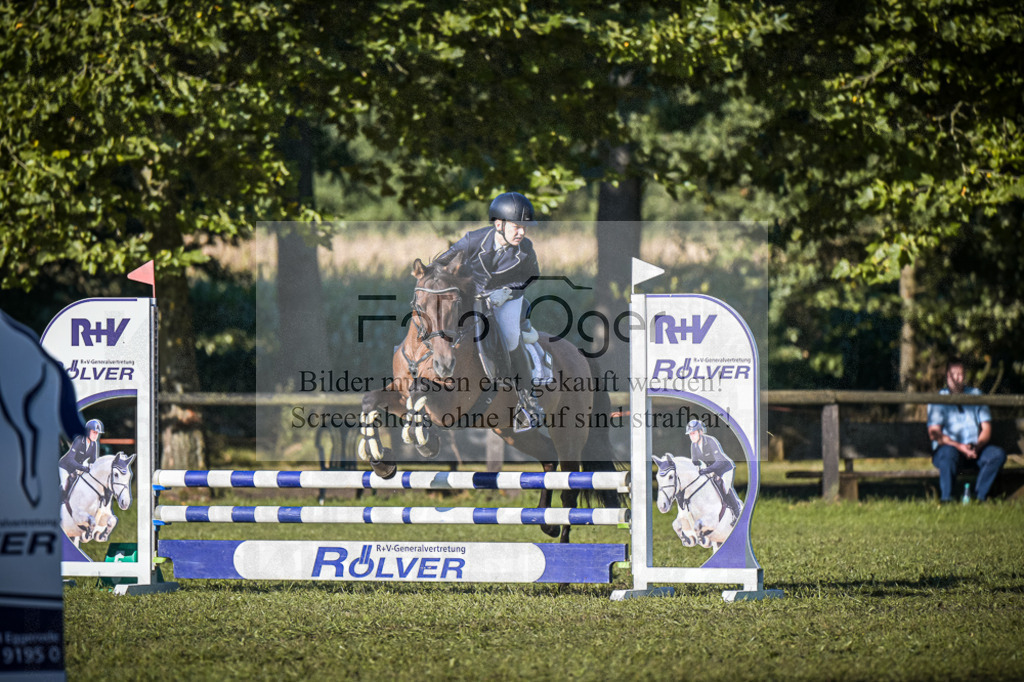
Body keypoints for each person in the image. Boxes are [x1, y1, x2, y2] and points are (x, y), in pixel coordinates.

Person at [432, 191, 551, 430]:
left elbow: (531, 276)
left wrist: (507, 291)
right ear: (499, 224)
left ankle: (529, 400)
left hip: (507, 298)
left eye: (524, 228)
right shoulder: (472, 241)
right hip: (471, 297)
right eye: (517, 226)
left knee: (510, 336)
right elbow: (440, 264)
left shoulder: (526, 249)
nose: (522, 232)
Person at [927, 358, 1006, 502]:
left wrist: (977, 446)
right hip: (950, 450)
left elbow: (986, 428)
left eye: (960, 374)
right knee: (948, 454)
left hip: (974, 449)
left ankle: (979, 496)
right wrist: (960, 447)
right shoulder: (938, 400)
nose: (957, 378)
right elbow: (935, 434)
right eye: (953, 374)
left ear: (965, 375)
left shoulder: (976, 395)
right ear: (947, 376)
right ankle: (947, 498)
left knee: (997, 455)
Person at [686, 419, 742, 518]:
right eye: (690, 434)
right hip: (712, 470)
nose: (692, 436)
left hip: (725, 468)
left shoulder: (711, 441)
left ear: (701, 432)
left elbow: (720, 462)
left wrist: (705, 470)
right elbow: (695, 462)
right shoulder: (693, 445)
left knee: (725, 487)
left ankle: (737, 512)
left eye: (694, 433)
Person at [59, 418, 105, 503]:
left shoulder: (94, 444)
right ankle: (59, 503)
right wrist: (83, 468)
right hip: (65, 467)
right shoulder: (79, 440)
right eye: (94, 432)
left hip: (76, 469)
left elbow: (93, 461)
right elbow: (70, 459)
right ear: (88, 431)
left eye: (97, 433)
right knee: (64, 485)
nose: (96, 435)